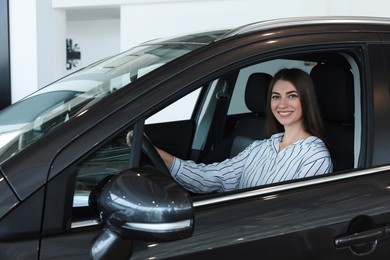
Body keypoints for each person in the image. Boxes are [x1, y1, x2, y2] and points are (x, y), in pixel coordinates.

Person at [130, 68, 333, 193]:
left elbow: (294, 213)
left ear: (306, 100)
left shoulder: (315, 157)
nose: (282, 104)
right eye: (275, 96)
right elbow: (212, 176)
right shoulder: (261, 147)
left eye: (292, 96)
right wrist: (155, 152)